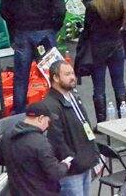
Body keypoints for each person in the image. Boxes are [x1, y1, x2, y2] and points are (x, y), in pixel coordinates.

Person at [0, 0, 65, 114]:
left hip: (22, 33)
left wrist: (14, 27)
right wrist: (53, 29)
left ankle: (20, 113)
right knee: (54, 74)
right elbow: (60, 9)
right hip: (45, 33)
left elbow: (4, 10)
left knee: (21, 77)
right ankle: (58, 108)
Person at [41, 61, 101, 196]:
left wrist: (93, 155)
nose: (73, 77)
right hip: (71, 171)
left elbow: (85, 125)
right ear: (55, 78)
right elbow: (56, 141)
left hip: (84, 163)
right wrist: (74, 161)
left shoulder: (73, 97)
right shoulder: (50, 105)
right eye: (67, 74)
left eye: (72, 73)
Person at [81, 0, 126, 122]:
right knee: (119, 83)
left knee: (99, 87)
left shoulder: (92, 6)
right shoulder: (119, 2)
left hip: (97, 49)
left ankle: (101, 122)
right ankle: (124, 116)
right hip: (116, 46)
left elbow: (87, 29)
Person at [0, 101, 69, 195]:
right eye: (48, 121)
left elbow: (1, 160)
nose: (48, 126)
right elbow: (55, 173)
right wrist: (65, 165)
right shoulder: (41, 143)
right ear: (41, 118)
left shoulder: (6, 136)